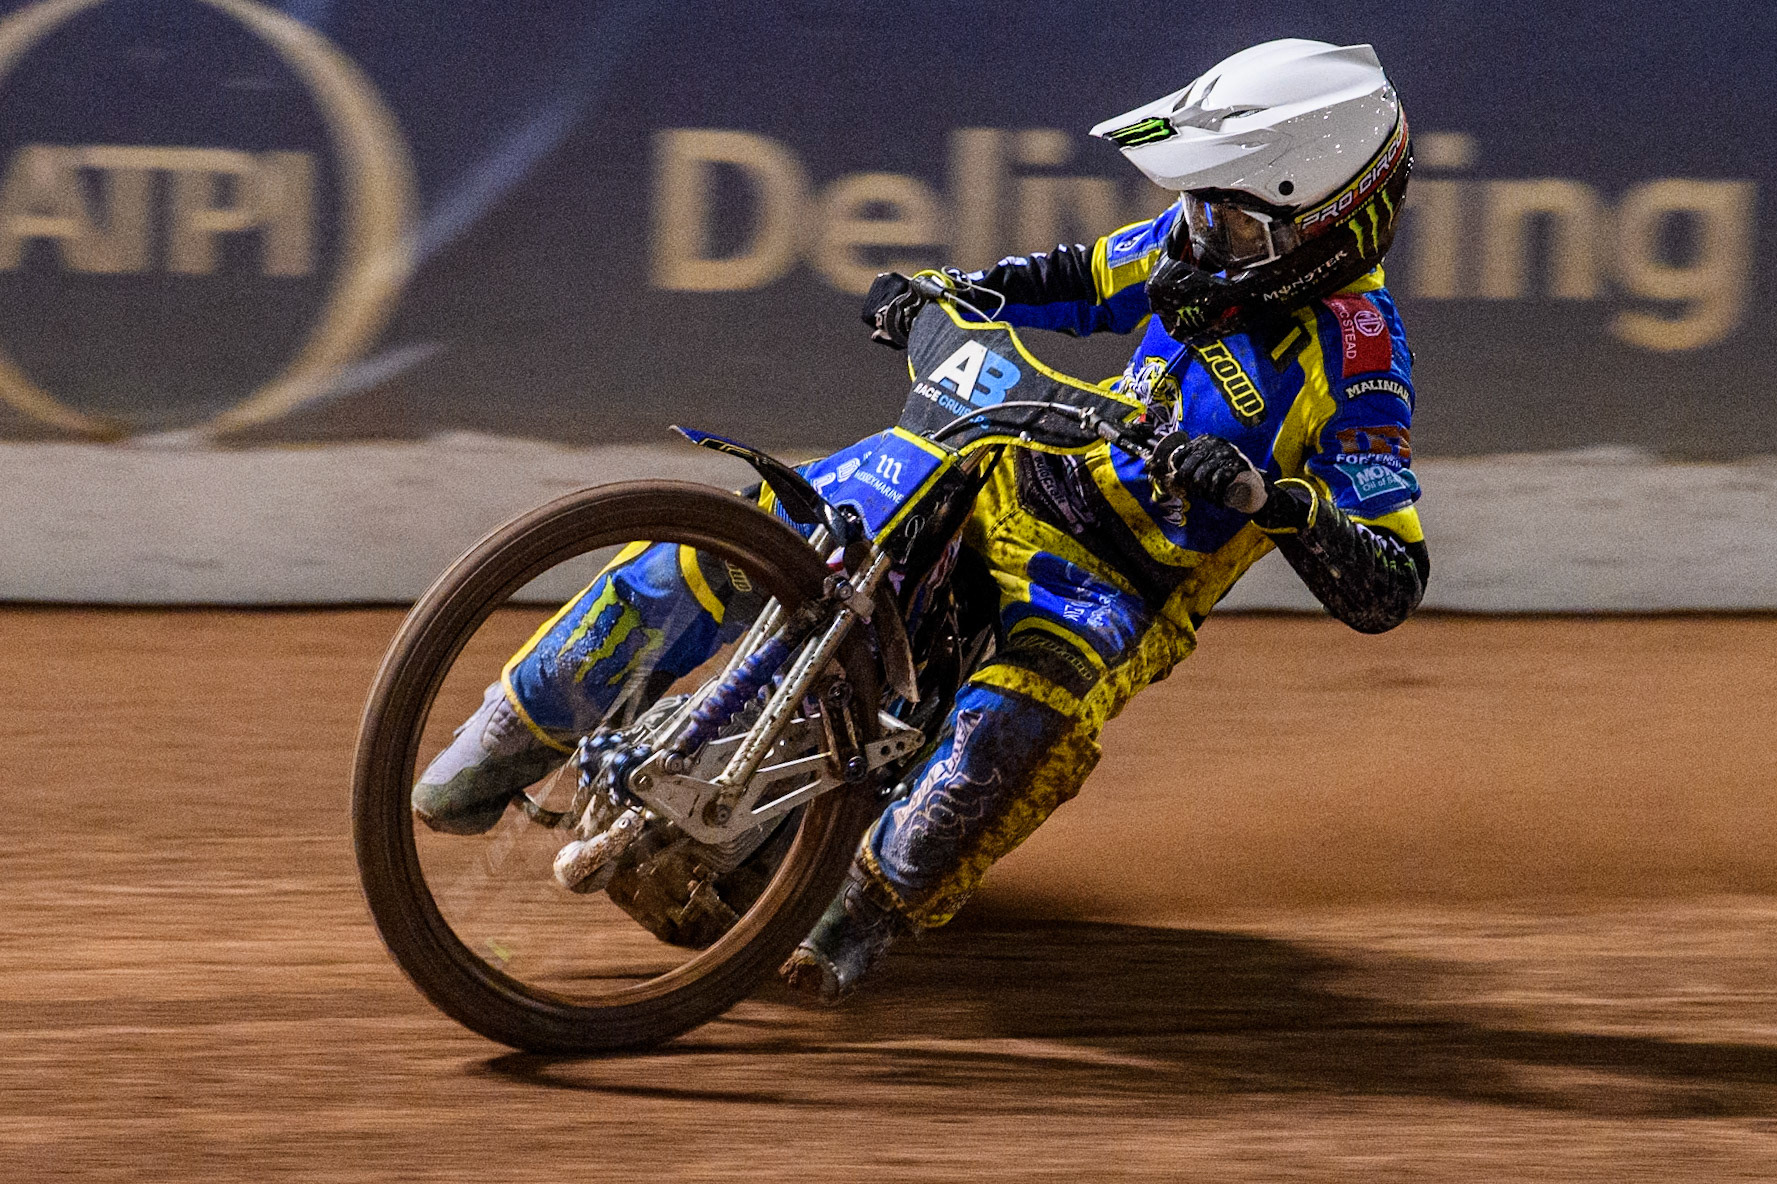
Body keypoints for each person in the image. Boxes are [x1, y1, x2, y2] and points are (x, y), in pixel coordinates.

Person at [411, 37, 1428, 1002]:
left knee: (1028, 714)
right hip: (1014, 468)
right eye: (1199, 209)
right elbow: (1081, 278)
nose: (1199, 235)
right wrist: (955, 290)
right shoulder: (1201, 237)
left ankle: (864, 911)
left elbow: (1391, 577)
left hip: (1120, 579)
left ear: (1322, 228)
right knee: (776, 524)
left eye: (1234, 223)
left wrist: (1273, 501)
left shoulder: (1360, 358)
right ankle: (511, 729)